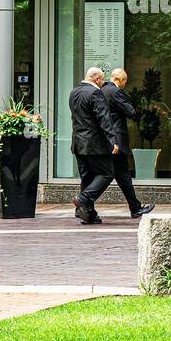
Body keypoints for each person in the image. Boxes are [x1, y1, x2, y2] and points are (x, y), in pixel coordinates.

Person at [67, 67, 119, 225]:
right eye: (102, 79)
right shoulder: (95, 93)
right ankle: (83, 199)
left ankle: (87, 214)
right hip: (94, 144)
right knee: (107, 174)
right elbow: (103, 118)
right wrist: (113, 140)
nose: (103, 83)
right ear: (97, 79)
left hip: (78, 143)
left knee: (87, 177)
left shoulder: (74, 92)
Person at [101, 68, 155, 218]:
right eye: (125, 81)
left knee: (119, 175)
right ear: (121, 80)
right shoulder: (117, 92)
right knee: (119, 175)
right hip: (117, 139)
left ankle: (135, 207)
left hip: (104, 139)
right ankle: (85, 200)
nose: (125, 84)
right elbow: (130, 112)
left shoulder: (102, 90)